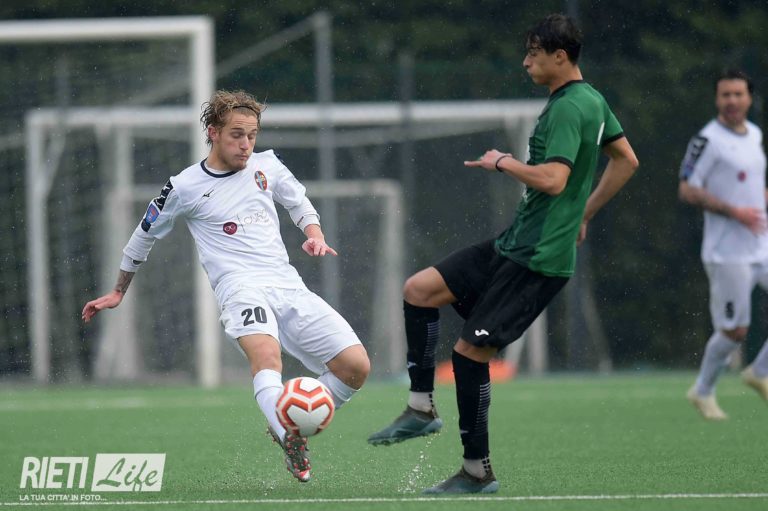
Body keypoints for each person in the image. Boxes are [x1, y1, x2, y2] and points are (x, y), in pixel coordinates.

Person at [367, 13, 639, 494]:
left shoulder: (570, 107)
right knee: (419, 290)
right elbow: (626, 160)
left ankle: (477, 472)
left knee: (469, 355)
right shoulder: (592, 100)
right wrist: (586, 214)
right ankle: (420, 408)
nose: (526, 62)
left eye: (534, 53)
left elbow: (554, 179)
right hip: (515, 243)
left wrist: (504, 163)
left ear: (560, 56)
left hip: (537, 259)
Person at [82, 90, 370, 482]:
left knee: (356, 367)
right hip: (239, 289)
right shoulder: (184, 186)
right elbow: (142, 236)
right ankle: (289, 434)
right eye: (237, 135)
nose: (246, 144)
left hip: (288, 285)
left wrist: (314, 234)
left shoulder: (267, 165)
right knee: (267, 357)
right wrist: (119, 290)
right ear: (213, 132)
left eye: (252, 135)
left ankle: (285, 418)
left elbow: (299, 203)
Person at [680, 68, 768, 420]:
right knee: (734, 332)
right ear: (717, 99)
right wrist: (734, 211)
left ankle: (759, 371)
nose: (732, 101)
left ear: (749, 98)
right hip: (727, 252)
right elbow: (687, 189)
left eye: (738, 94)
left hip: (760, 243)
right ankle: (702, 391)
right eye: (725, 95)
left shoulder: (755, 134)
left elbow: (750, 184)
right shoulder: (707, 140)